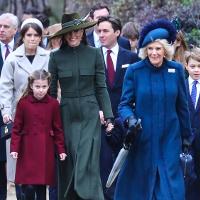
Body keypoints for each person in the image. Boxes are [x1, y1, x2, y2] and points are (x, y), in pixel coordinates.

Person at [116, 19, 192, 200]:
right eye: (150, 48)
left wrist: (187, 137)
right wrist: (130, 120)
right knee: (142, 189)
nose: (154, 53)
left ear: (165, 49)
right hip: (143, 139)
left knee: (169, 189)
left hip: (170, 140)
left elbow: (182, 107)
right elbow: (124, 104)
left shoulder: (176, 70)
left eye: (158, 48)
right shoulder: (135, 71)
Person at [48, 13, 113, 200]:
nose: (73, 36)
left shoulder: (94, 53)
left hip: (90, 113)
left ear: (83, 32)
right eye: (69, 33)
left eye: (77, 31)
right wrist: (49, 122)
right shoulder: (55, 57)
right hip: (65, 115)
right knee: (68, 162)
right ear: (63, 35)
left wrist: (108, 116)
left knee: (86, 162)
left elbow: (101, 87)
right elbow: (52, 94)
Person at [0, 17, 49, 200]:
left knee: (40, 170)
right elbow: (5, 87)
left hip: (42, 118)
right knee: (22, 170)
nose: (32, 39)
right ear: (22, 36)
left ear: (40, 37)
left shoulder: (47, 56)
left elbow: (54, 86)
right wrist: (5, 111)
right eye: (29, 35)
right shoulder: (13, 58)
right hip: (18, 117)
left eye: (36, 35)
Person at [96, 15, 139, 200]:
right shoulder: (93, 56)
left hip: (125, 123)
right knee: (103, 169)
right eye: (99, 31)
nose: (101, 35)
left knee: (124, 169)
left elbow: (136, 89)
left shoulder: (131, 57)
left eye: (105, 31)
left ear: (117, 32)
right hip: (100, 121)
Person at [10, 69, 66, 200]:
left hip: (45, 151)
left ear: (49, 86)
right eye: (37, 86)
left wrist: (61, 149)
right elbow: (17, 128)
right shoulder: (23, 103)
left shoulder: (53, 104)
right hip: (27, 150)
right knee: (28, 186)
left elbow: (58, 129)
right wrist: (14, 148)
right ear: (31, 86)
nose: (41, 90)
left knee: (41, 188)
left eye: (44, 87)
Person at [184, 46, 200, 200]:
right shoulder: (180, 84)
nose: (196, 70)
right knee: (186, 176)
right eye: (192, 66)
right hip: (184, 139)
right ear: (186, 66)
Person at [0, 12, 18, 200]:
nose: (1, 30)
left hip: (18, 114)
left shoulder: (24, 49)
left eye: (5, 26)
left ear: (15, 29)